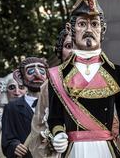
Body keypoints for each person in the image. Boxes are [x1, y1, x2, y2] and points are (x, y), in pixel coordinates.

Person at [47, 0, 120, 158]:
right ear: (70, 29)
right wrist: (59, 133)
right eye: (82, 24)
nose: (89, 30)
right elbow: (55, 118)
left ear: (103, 30)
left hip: (106, 151)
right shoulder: (57, 74)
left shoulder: (117, 72)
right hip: (74, 150)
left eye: (94, 24)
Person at [27, 29, 72, 158]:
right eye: (68, 46)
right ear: (60, 51)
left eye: (77, 45)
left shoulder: (99, 80)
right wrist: (53, 141)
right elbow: (38, 127)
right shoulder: (49, 85)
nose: (73, 51)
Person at [2, 57, 48, 158]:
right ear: (19, 77)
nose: (37, 74)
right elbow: (7, 139)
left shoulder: (55, 104)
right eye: (31, 70)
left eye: (41, 70)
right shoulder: (12, 108)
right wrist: (14, 147)